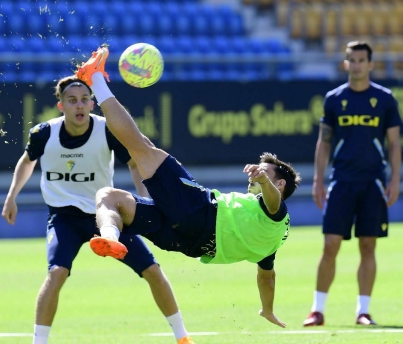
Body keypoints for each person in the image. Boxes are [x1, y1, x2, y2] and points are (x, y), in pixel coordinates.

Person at [75, 46, 301, 329]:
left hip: (200, 212)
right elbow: (267, 277)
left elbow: (274, 201)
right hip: (187, 243)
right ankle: (112, 238)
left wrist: (264, 180)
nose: (256, 174)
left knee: (141, 147)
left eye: (265, 172)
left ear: (279, 183)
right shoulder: (271, 243)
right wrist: (268, 309)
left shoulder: (275, 210)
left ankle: (93, 79)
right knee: (109, 197)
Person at [1, 75, 203, 344]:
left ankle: (184, 340)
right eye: (72, 100)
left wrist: (147, 200)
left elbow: (135, 164)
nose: (79, 105)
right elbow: (27, 161)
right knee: (56, 273)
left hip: (105, 216)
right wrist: (11, 197)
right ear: (61, 105)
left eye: (84, 99)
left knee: (153, 271)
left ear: (92, 103)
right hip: (64, 217)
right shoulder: (44, 133)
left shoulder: (106, 129)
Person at [303, 41, 402, 327]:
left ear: (370, 64)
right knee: (330, 245)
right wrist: (318, 180)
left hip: (372, 182)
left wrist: (394, 178)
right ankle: (317, 310)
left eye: (361, 60)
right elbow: (324, 141)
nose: (356, 64)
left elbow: (394, 143)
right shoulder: (334, 99)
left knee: (368, 245)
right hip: (342, 181)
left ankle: (363, 311)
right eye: (352, 60)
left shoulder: (384, 99)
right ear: (345, 64)